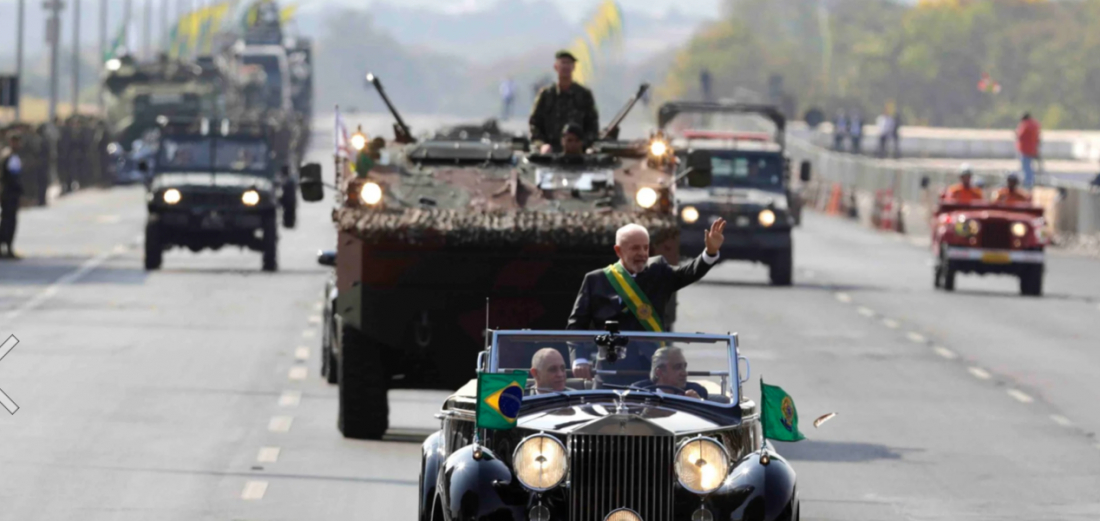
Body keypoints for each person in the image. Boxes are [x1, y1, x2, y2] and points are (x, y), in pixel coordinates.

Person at [566, 220, 727, 382]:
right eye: (635, 248)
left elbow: (688, 273)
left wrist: (710, 251)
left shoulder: (658, 270)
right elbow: (576, 325)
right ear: (618, 251)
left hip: (654, 371)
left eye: (645, 247)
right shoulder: (596, 279)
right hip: (610, 371)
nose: (642, 253)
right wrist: (579, 359)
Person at [529, 50, 599, 154]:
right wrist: (542, 145)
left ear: (573, 67)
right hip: (550, 153)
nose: (566, 66)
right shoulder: (546, 95)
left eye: (569, 63)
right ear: (556, 67)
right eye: (563, 63)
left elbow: (593, 126)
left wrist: (582, 144)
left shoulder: (584, 94)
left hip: (578, 155)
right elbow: (534, 124)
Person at [1, 134, 24, 259]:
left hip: (9, 193)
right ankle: (7, 248)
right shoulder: (9, 156)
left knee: (8, 221)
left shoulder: (10, 156)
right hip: (9, 193)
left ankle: (7, 248)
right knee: (8, 222)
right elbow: (12, 178)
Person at [1016, 113, 1041, 189]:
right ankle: (1030, 181)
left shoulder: (1026, 125)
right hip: (1032, 149)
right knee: (1029, 167)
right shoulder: (1035, 126)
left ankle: (1028, 183)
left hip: (1025, 149)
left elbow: (1020, 136)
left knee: (1026, 167)